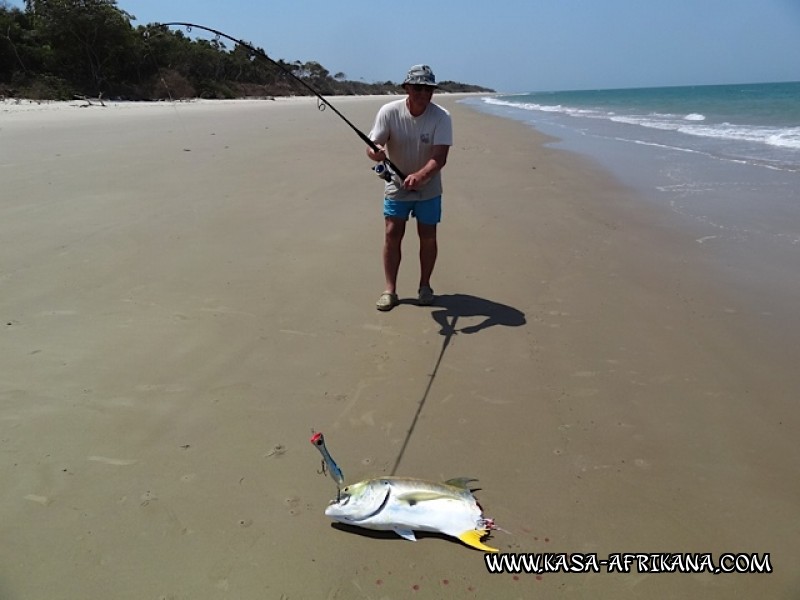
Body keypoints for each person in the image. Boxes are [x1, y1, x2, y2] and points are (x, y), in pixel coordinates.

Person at [366, 64, 453, 311]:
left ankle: (425, 286)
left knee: (428, 236)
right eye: (418, 88)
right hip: (396, 184)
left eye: (428, 89)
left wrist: (421, 175)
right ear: (407, 87)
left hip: (429, 186)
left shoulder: (441, 117)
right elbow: (373, 145)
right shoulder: (389, 112)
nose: (423, 94)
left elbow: (440, 157)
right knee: (392, 234)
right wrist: (375, 152)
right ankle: (390, 290)